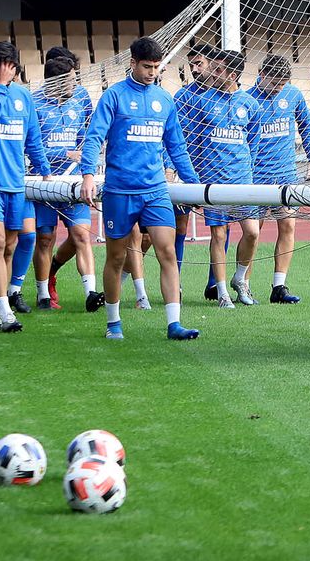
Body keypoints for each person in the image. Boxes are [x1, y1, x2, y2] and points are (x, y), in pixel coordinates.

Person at [80, 36, 203, 341]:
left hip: (155, 191)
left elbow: (177, 146)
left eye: (156, 67)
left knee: (167, 252)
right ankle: (113, 322)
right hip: (120, 191)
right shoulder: (114, 96)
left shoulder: (164, 100)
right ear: (133, 63)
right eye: (147, 66)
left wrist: (193, 184)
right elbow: (94, 136)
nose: (152, 72)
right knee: (116, 257)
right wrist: (87, 174)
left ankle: (174, 324)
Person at [0, 41, 52, 333]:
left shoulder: (23, 96)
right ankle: (5, 310)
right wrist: (0, 86)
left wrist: (44, 168)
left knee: (11, 245)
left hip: (16, 183)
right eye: (2, 67)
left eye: (11, 67)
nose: (7, 72)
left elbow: (32, 137)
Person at [176, 49, 260, 309]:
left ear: (232, 75)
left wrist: (246, 169)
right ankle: (222, 292)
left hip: (242, 180)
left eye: (218, 70)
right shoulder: (202, 102)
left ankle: (239, 279)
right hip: (213, 180)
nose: (212, 73)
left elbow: (253, 143)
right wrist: (193, 180)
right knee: (219, 235)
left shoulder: (250, 104)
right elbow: (192, 143)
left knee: (252, 233)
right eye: (213, 68)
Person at [244, 53, 310, 304]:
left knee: (288, 226)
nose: (278, 88)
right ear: (262, 75)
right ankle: (244, 285)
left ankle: (279, 287)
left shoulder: (293, 94)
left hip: (286, 175)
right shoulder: (247, 99)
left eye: (282, 84)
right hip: (256, 177)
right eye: (275, 83)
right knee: (253, 233)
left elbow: (306, 126)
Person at [31, 50, 95, 311]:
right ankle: (43, 294)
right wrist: (64, 154)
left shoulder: (78, 101)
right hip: (43, 183)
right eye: (70, 81)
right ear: (55, 82)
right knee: (45, 238)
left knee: (81, 234)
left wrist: (84, 157)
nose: (75, 86)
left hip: (72, 182)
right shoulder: (34, 105)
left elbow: (85, 136)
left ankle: (91, 293)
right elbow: (30, 148)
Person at [172, 42, 217, 299]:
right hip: (185, 170)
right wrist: (171, 166)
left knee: (219, 227)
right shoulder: (182, 96)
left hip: (215, 170)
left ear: (213, 64)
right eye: (192, 65)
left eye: (199, 63)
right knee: (180, 226)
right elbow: (171, 135)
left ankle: (214, 284)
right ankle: (175, 283)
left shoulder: (223, 95)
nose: (195, 69)